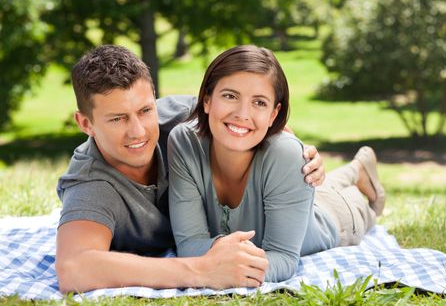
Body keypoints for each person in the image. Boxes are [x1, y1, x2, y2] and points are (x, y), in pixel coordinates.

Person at [55, 45, 325, 293]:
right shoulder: (90, 183)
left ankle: (358, 176)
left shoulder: (178, 117)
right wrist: (199, 271)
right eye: (117, 118)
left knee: (341, 201)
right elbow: (73, 269)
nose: (138, 131)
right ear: (85, 124)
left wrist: (299, 152)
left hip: (293, 207)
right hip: (231, 223)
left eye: (146, 110)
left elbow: (246, 118)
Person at [168, 45, 386, 283]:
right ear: (207, 99)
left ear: (274, 114)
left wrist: (227, 266)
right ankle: (356, 168)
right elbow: (189, 244)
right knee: (320, 186)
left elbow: (283, 258)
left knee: (351, 204)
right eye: (230, 96)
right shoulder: (184, 142)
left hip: (335, 218)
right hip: (294, 193)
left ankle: (358, 172)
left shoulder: (286, 155)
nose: (242, 113)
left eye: (259, 103)